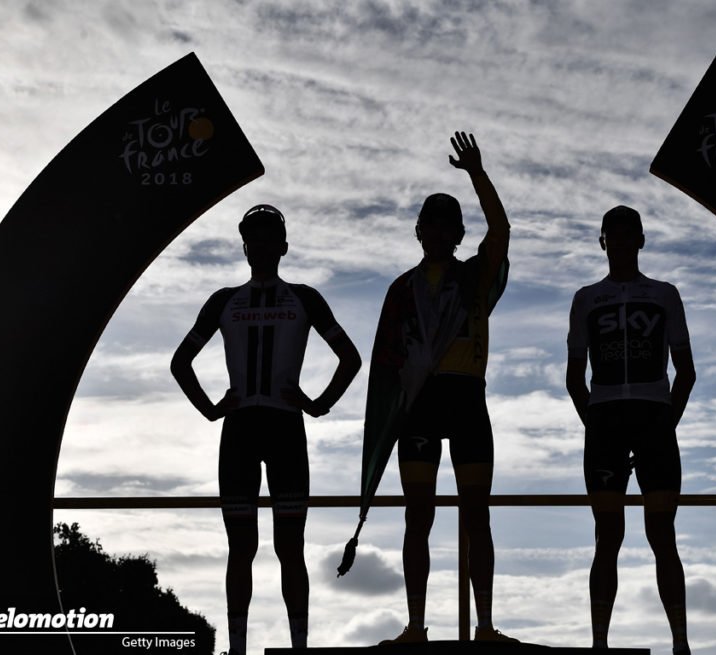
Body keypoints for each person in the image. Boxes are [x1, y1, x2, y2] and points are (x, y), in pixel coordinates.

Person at [170, 204, 361, 654]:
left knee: (288, 545)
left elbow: (350, 358)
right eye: (252, 237)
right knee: (242, 546)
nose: (259, 245)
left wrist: (317, 406)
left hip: (282, 426)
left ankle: (299, 646)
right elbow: (180, 363)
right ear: (244, 247)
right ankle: (238, 646)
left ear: (283, 246)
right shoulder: (224, 300)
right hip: (241, 428)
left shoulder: (305, 297)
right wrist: (212, 410)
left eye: (267, 236)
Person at [373, 132, 515, 644]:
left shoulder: (477, 278)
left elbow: (500, 229)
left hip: (467, 399)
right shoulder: (400, 288)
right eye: (428, 221)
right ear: (418, 230)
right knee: (418, 517)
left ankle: (485, 626)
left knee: (478, 515)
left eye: (445, 223)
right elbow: (385, 369)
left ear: (457, 232)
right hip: (421, 407)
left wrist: (477, 172)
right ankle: (415, 625)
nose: (435, 230)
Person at [565, 206, 696, 654]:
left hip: (653, 420)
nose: (619, 244)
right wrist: (596, 426)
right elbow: (572, 377)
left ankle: (681, 642)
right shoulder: (585, 298)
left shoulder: (665, 295)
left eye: (627, 236)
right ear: (602, 242)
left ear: (641, 240)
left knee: (663, 534)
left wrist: (664, 424)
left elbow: (687, 372)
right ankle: (599, 643)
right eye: (611, 237)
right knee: (608, 535)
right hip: (605, 422)